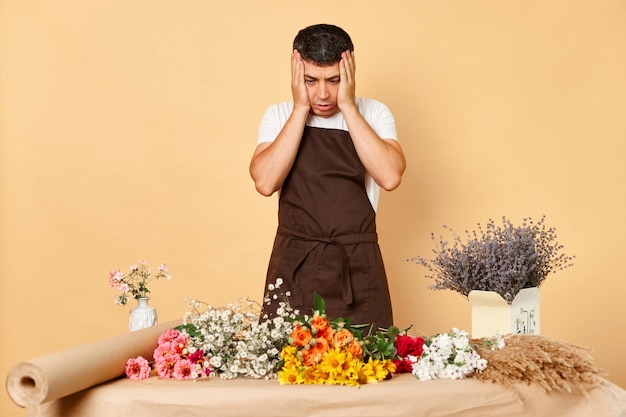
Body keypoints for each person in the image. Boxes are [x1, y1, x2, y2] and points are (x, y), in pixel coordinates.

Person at [249, 24, 405, 327]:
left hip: (357, 266)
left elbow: (390, 177)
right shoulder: (279, 115)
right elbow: (265, 183)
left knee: (367, 368)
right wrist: (298, 110)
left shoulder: (373, 113)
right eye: (311, 80)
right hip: (295, 266)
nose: (322, 94)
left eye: (333, 80)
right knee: (290, 368)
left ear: (349, 72)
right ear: (296, 73)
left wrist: (348, 106)